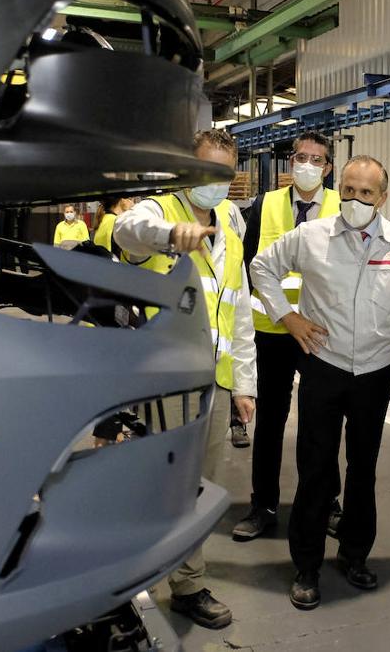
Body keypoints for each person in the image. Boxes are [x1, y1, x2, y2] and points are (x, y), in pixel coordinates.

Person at [250, 155, 390, 611]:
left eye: (366, 193)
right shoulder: (311, 236)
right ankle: (306, 566)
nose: (355, 199)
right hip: (323, 368)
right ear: (338, 189)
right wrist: (288, 317)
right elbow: (261, 267)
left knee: (363, 470)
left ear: (382, 198)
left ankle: (353, 554)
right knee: (316, 470)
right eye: (348, 189)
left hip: (375, 370)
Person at [113, 128, 258, 630]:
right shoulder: (159, 210)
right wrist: (169, 236)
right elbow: (125, 233)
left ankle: (189, 584)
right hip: (164, 379)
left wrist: (244, 385)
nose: (210, 183)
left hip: (212, 382)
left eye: (220, 174)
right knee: (157, 487)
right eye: (201, 171)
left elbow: (238, 316)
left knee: (200, 489)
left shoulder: (232, 236)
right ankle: (134, 590)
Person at [233, 132, 342, 542]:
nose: (308, 165)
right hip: (272, 331)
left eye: (317, 159)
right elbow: (249, 267)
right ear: (289, 162)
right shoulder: (265, 205)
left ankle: (327, 502)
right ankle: (263, 505)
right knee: (271, 422)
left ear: (328, 168)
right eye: (301, 157)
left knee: (323, 424)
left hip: (320, 332)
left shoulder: (340, 207)